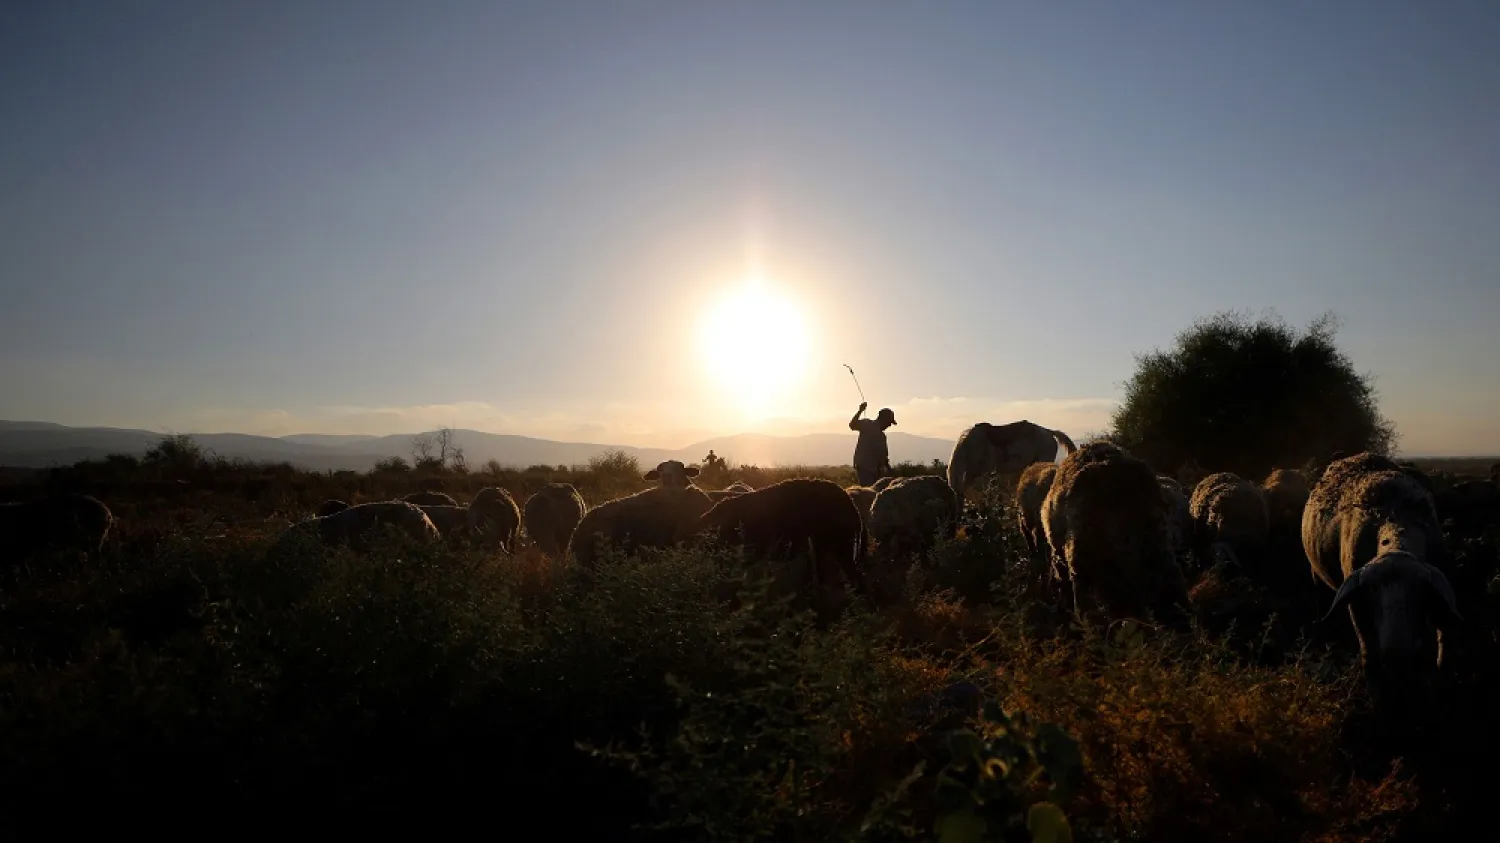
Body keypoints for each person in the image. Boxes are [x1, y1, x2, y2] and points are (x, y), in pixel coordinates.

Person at [848, 402, 896, 486]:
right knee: (868, 494)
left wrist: (889, 471)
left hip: (875, 471)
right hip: (865, 469)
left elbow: (883, 457)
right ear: (884, 419)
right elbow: (852, 425)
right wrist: (860, 411)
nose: (889, 425)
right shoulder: (867, 424)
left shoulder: (882, 436)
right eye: (889, 422)